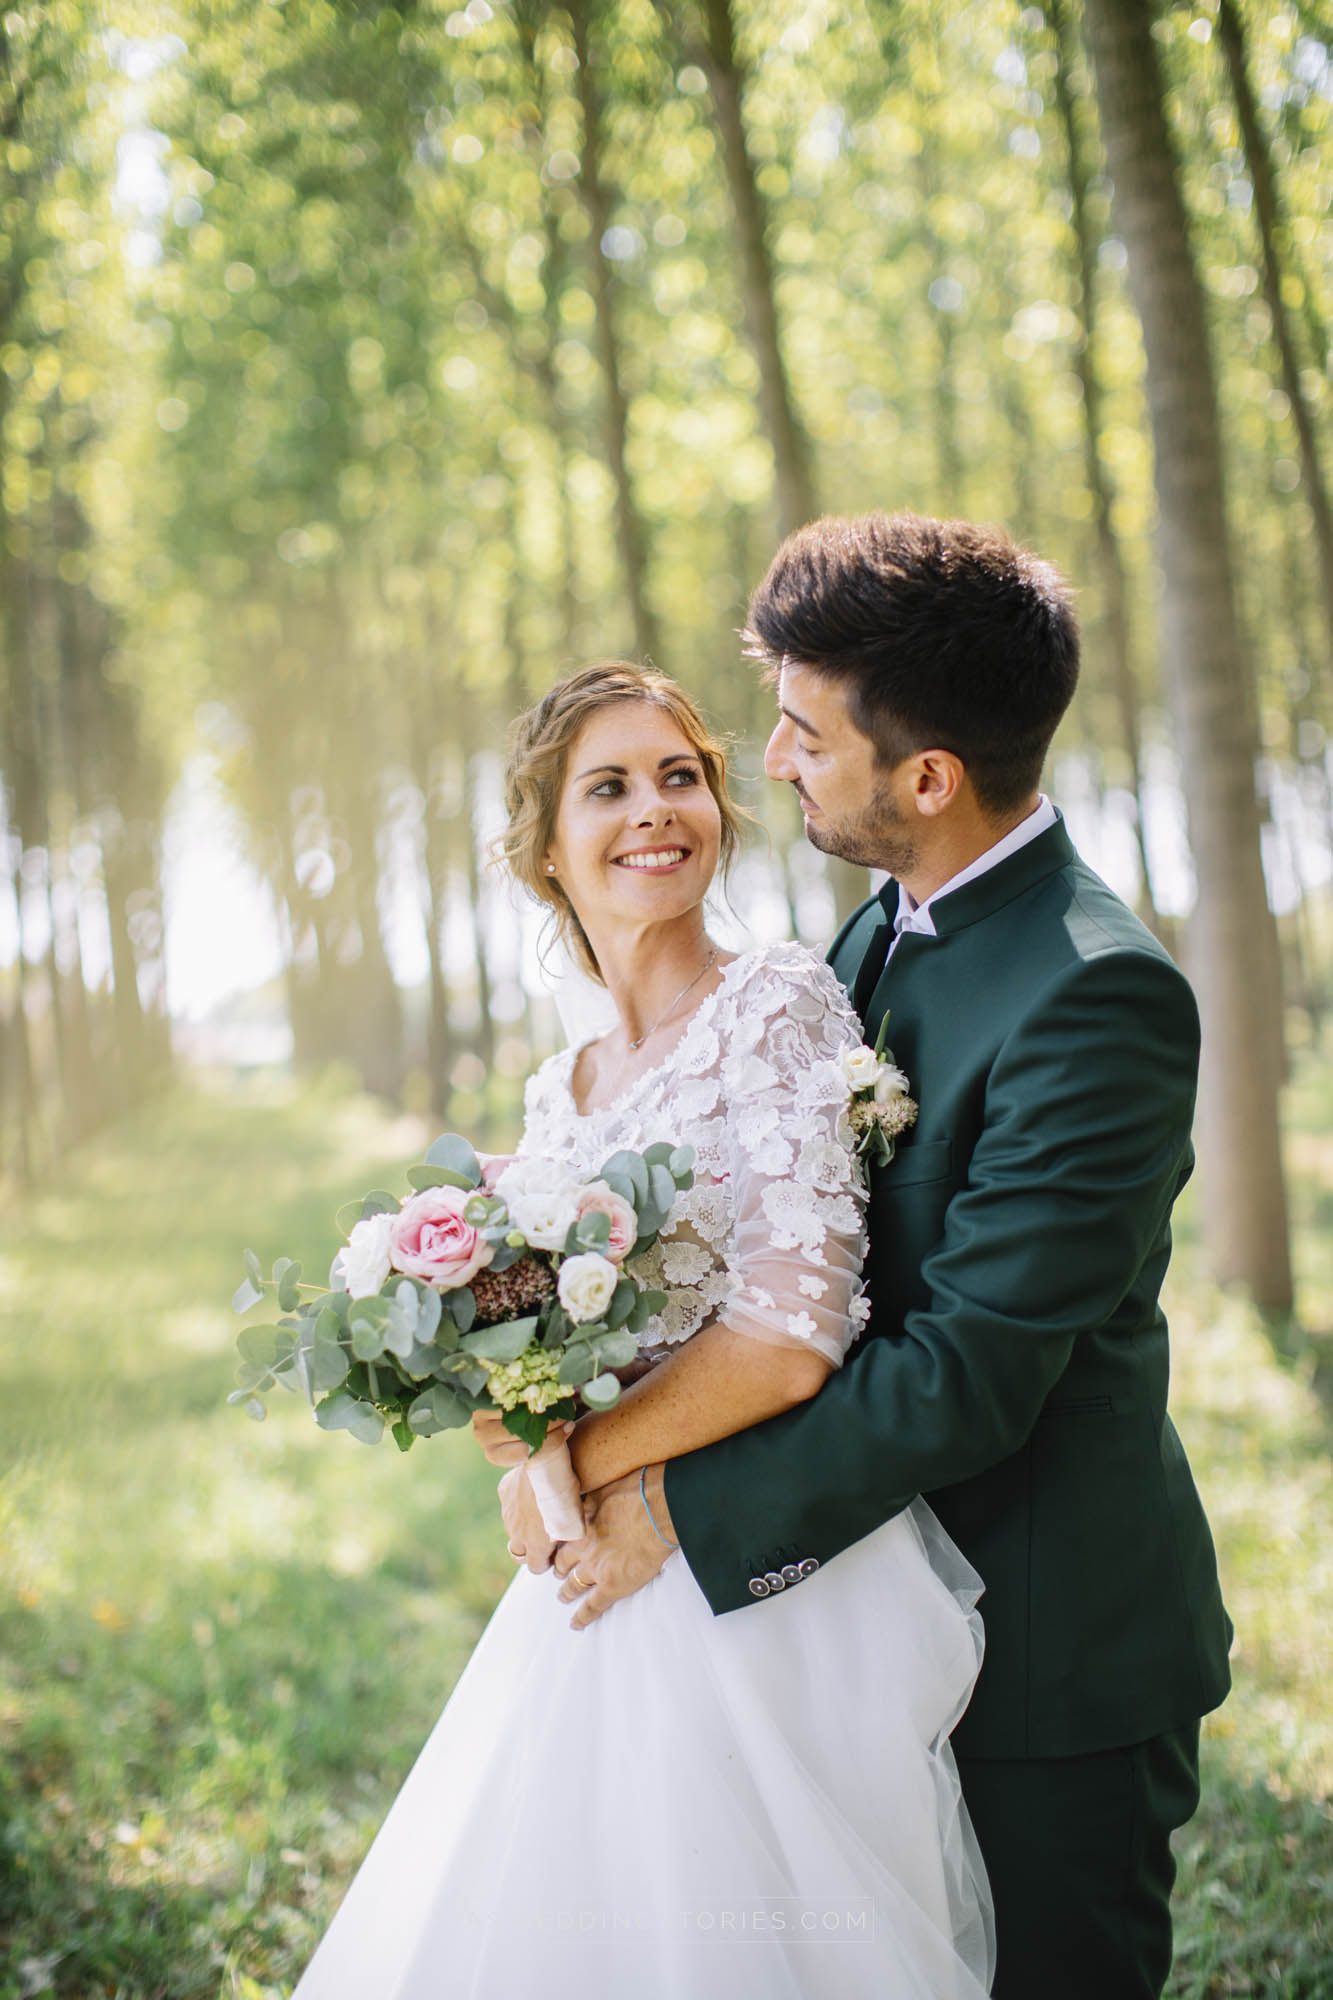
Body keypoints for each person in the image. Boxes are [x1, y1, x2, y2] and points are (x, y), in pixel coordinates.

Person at [541, 514, 1233, 1999]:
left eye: (806, 734)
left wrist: (668, 1505)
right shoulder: (873, 937)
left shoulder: (1095, 995)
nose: (774, 760)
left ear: (927, 778)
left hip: (1039, 1643)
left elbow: (967, 1369)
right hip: (849, 1626)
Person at [292, 661, 996, 1999]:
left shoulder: (775, 1002)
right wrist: (519, 1428)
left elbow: (794, 1330)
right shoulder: (557, 1089)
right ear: (546, 849)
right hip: (594, 1567)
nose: (653, 810)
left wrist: (577, 1462)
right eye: (607, 788)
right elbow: (546, 1352)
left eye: (680, 777)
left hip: (755, 1554)